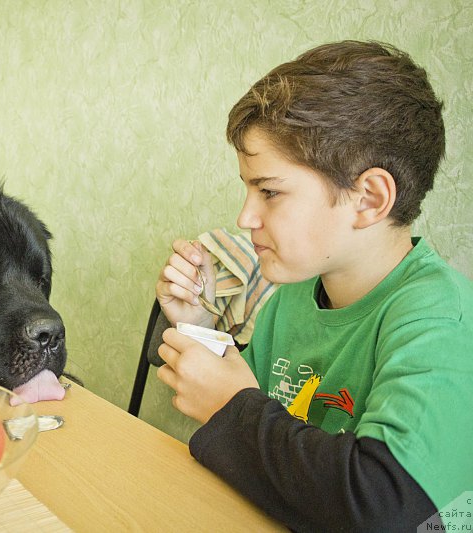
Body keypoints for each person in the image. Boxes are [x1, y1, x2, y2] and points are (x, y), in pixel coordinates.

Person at [155, 40, 473, 531]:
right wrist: (201, 328)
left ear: (368, 198)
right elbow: (263, 445)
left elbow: (382, 507)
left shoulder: (439, 319)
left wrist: (230, 408)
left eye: (269, 191)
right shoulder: (296, 295)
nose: (245, 216)